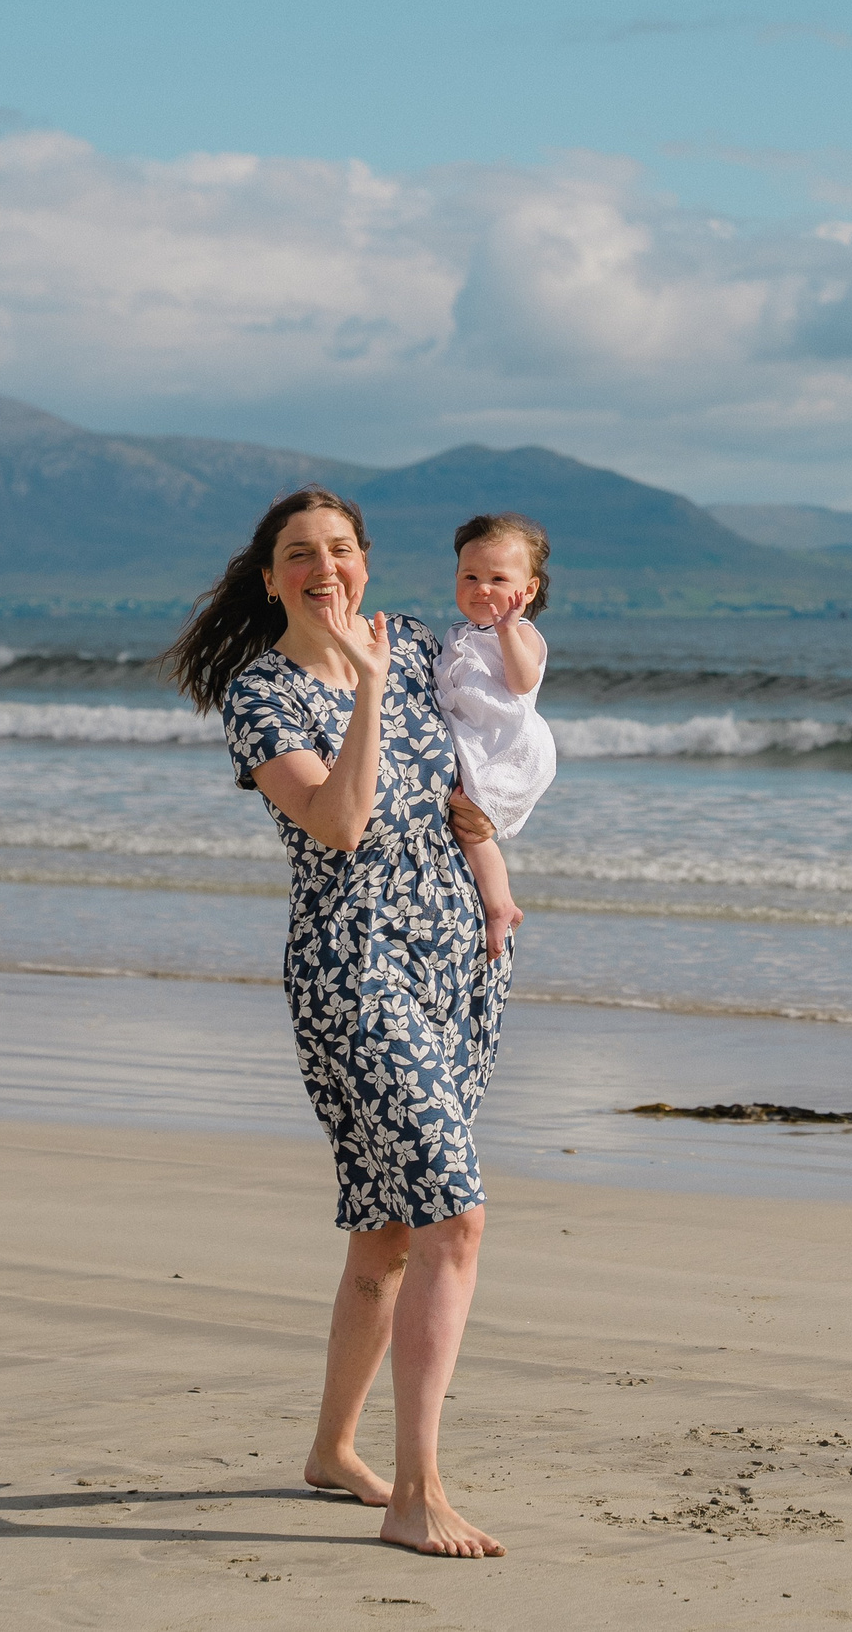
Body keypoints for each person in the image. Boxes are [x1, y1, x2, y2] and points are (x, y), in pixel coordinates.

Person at [164, 485, 509, 1559]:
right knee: (454, 1214)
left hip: (457, 960)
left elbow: (491, 733)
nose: (326, 568)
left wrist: (495, 858)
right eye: (300, 555)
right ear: (269, 577)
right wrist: (360, 690)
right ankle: (417, 1488)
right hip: (353, 971)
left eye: (342, 549)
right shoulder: (260, 695)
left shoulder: (411, 641)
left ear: (366, 560)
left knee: (392, 1225)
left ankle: (330, 1449)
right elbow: (340, 820)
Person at [436, 513, 558, 961]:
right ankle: (491, 903)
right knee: (465, 825)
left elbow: (523, 681)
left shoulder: (522, 635)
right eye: (470, 576)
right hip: (475, 740)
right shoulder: (457, 635)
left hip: (506, 746)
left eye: (497, 578)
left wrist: (508, 629)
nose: (481, 588)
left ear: (526, 591)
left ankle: (500, 903)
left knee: (471, 826)